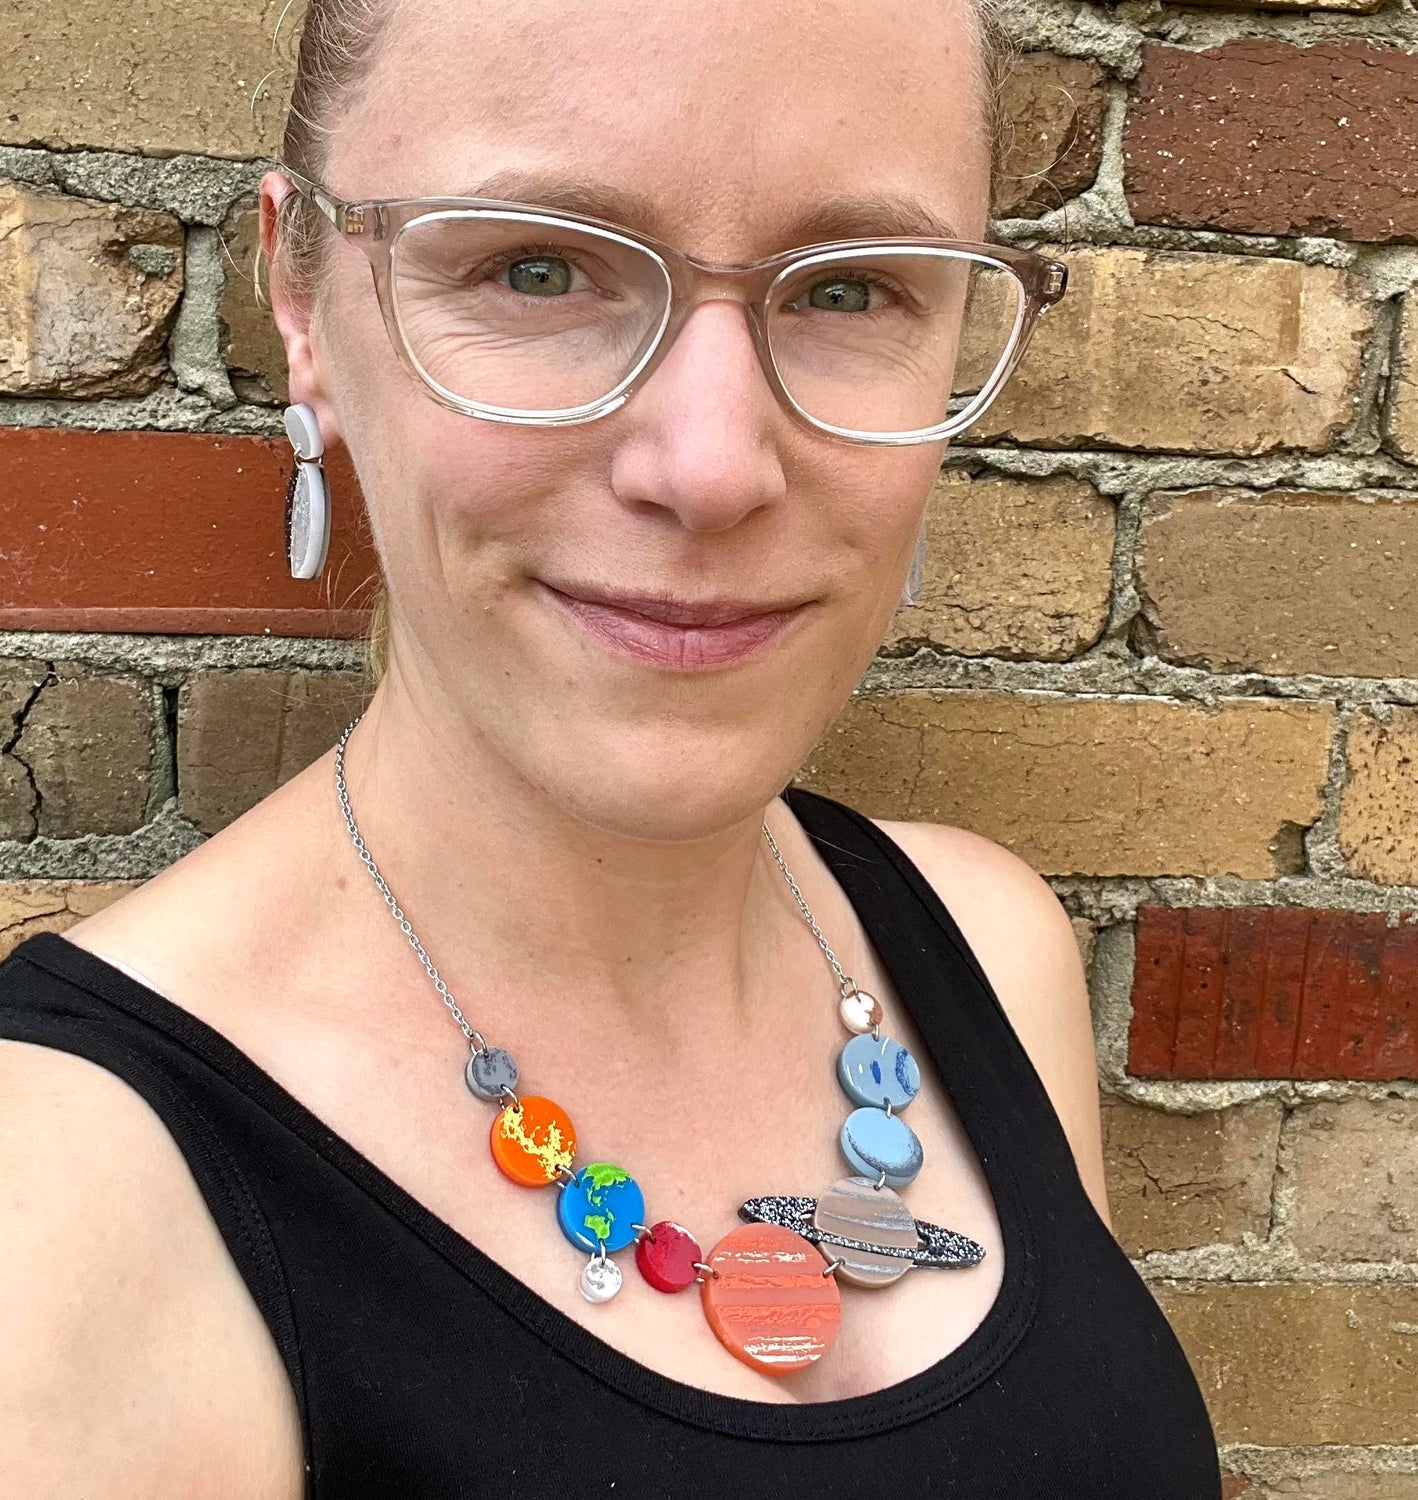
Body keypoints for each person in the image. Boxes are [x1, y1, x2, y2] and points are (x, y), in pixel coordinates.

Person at [0, 0, 1222, 1494]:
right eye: (538, 266)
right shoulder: (63, 1209)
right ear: (302, 303)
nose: (711, 463)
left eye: (847, 290)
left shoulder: (985, 942)